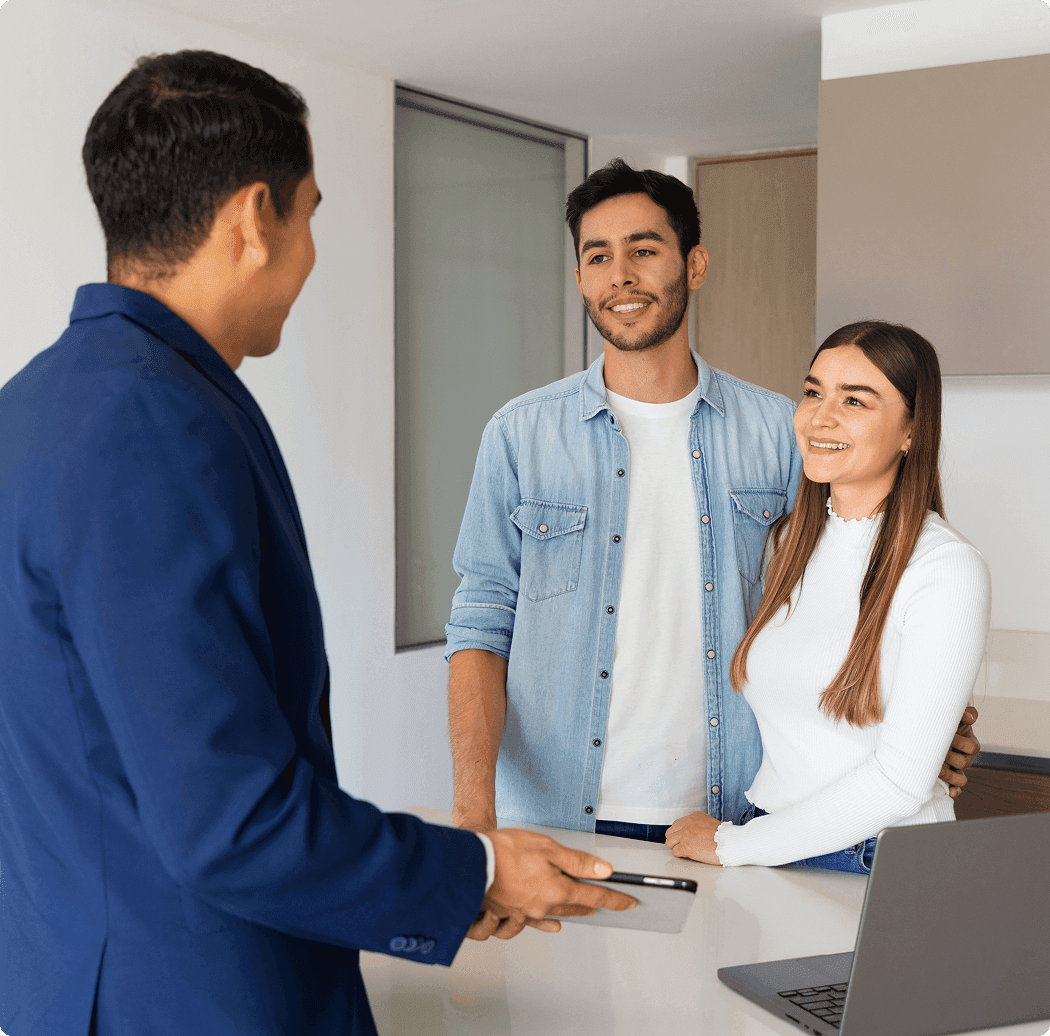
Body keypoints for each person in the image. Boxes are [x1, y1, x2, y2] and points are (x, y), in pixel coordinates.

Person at [0, 51, 633, 1036]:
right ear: (256, 219)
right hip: (190, 997)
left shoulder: (36, 405)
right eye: (313, 214)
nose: (311, 251)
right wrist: (474, 869)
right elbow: (229, 820)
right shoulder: (150, 421)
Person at [446, 160, 979, 842]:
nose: (620, 276)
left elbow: (860, 590)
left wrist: (938, 726)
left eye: (643, 250)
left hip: (735, 814)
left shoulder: (782, 433)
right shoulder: (520, 434)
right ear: (579, 278)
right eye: (597, 256)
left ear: (693, 266)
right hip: (554, 815)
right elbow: (479, 626)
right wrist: (472, 816)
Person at [665, 321, 990, 870]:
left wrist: (733, 846)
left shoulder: (945, 567)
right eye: (814, 392)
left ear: (911, 431)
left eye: (855, 401)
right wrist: (749, 840)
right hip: (774, 837)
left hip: (875, 860)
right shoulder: (789, 542)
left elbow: (901, 782)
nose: (821, 416)